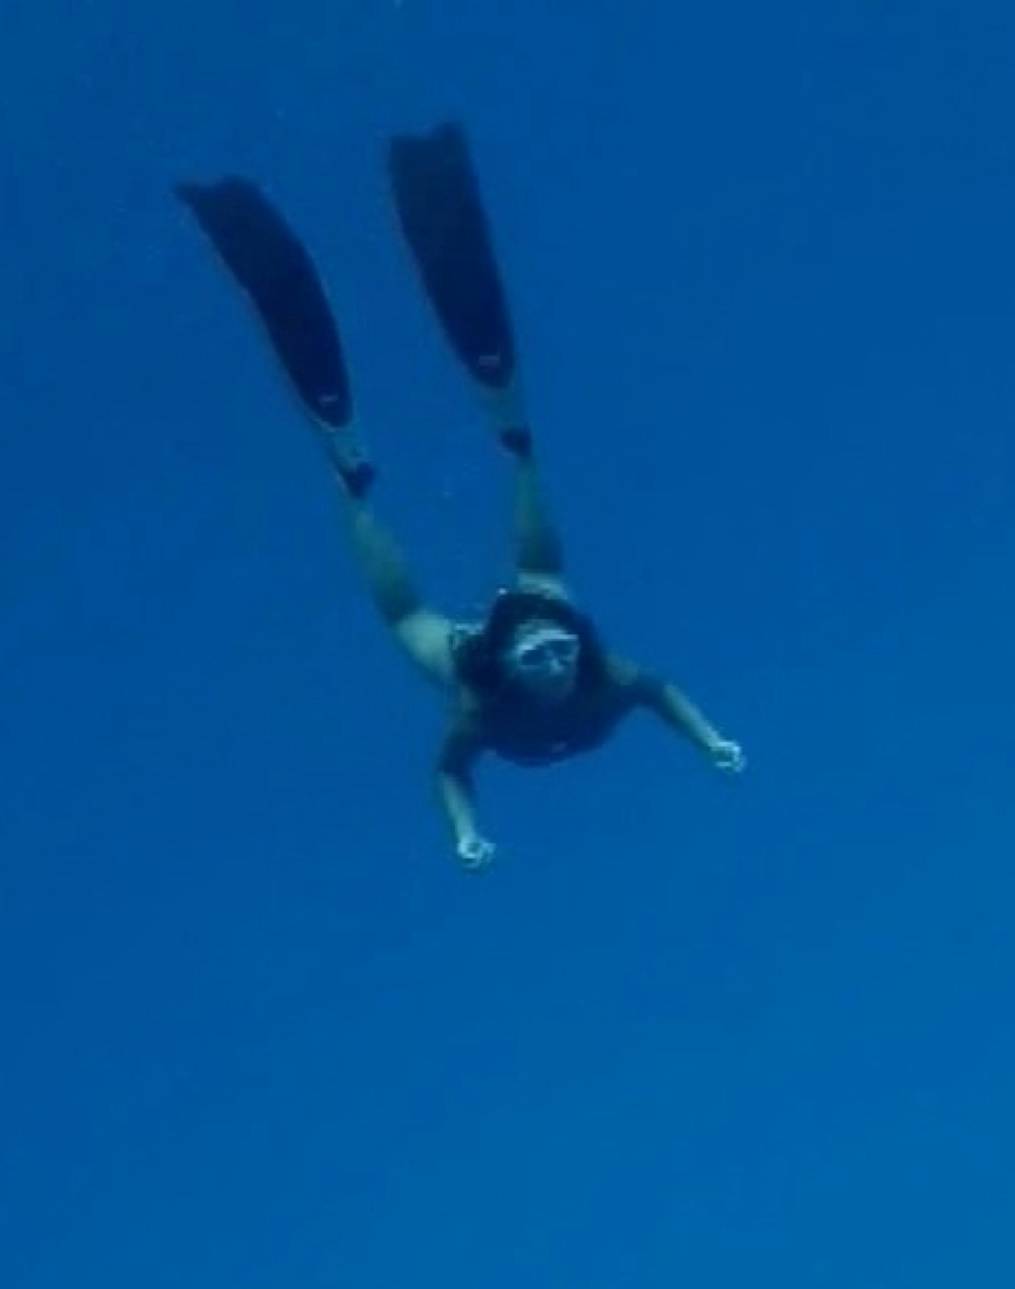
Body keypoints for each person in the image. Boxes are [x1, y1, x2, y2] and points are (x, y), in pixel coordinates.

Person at [177, 122, 741, 873]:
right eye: (551, 651)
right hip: (488, 643)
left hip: (463, 656)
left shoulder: (485, 704)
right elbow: (657, 692)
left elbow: (452, 770)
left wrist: (463, 832)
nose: (555, 662)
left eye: (551, 652)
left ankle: (354, 480)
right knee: (543, 571)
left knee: (411, 622)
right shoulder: (593, 679)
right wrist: (711, 741)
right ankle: (516, 442)